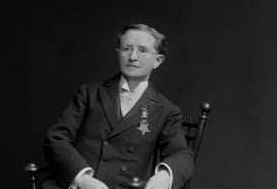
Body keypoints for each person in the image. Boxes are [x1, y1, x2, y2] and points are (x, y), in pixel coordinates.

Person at [42, 23, 194, 189]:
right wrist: (83, 178)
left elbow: (182, 154)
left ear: (157, 61)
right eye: (126, 49)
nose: (133, 57)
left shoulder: (166, 110)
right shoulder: (89, 93)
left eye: (142, 51)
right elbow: (56, 139)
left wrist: (163, 177)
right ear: (118, 53)